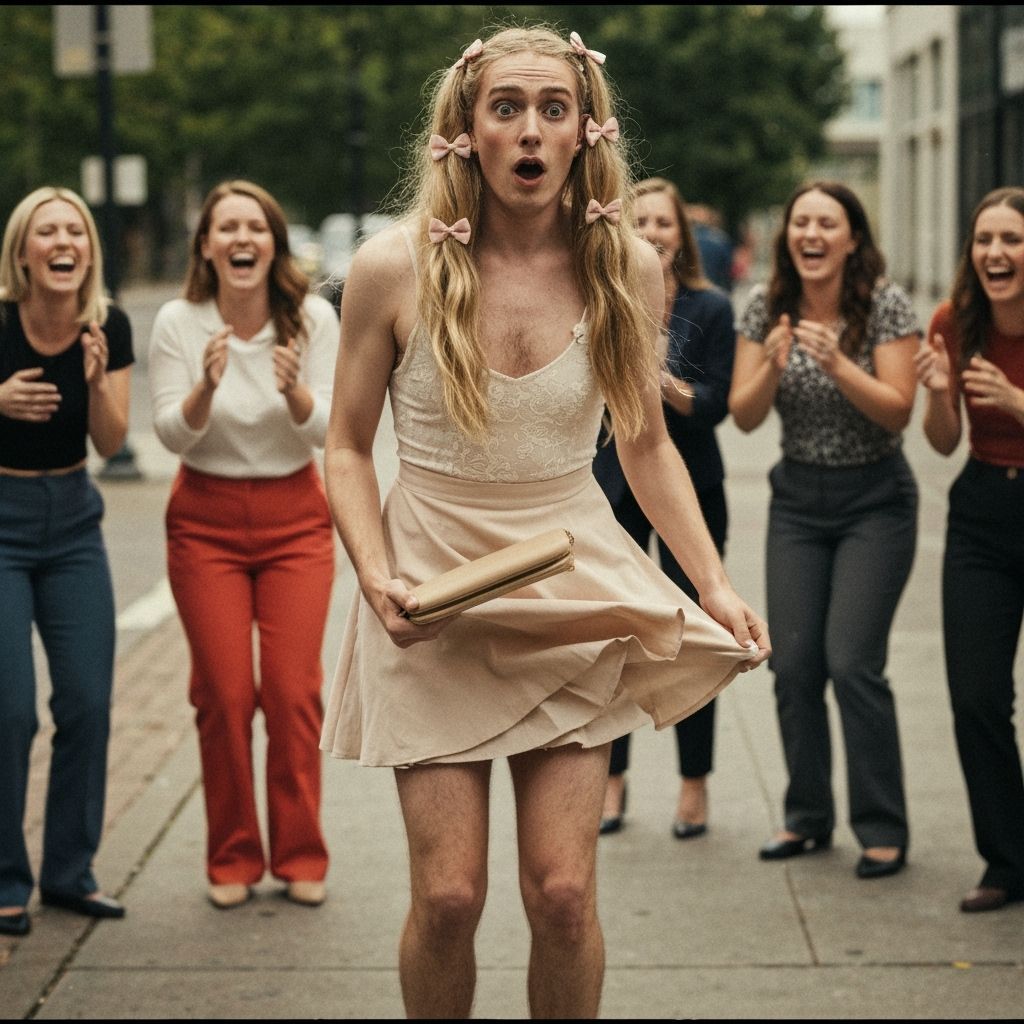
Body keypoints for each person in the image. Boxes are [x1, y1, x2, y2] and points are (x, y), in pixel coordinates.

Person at [318, 26, 769, 1020]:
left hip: (569, 589)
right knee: (447, 898)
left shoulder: (629, 271)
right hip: (429, 594)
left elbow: (646, 446)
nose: (529, 128)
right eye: (506, 107)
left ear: (583, 133)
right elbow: (346, 448)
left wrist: (714, 584)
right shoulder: (391, 268)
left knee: (562, 895)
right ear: (465, 132)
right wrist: (374, 570)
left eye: (551, 108)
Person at [148, 181, 338, 911]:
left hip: (294, 516)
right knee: (224, 696)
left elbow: (328, 431)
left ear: (273, 242)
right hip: (205, 517)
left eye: (253, 226)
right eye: (225, 227)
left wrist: (292, 392)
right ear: (206, 246)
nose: (240, 238)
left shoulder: (312, 318)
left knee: (292, 693)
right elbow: (171, 430)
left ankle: (299, 852)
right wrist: (204, 386)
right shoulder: (179, 320)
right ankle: (232, 855)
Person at [729, 181, 920, 880]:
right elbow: (744, 416)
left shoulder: (885, 307)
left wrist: (838, 364)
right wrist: (775, 365)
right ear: (789, 239)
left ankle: (881, 825)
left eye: (826, 224)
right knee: (794, 664)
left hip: (876, 501)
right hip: (799, 504)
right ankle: (806, 817)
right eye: (800, 222)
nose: (810, 234)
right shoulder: (766, 309)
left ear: (851, 241)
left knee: (851, 662)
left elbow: (897, 412)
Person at [0, 187, 133, 936]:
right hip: (3, 523)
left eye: (75, 230)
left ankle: (68, 872)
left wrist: (90, 379)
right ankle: (4, 878)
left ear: (87, 250)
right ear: (23, 252)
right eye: (46, 230)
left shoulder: (105, 325)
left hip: (74, 525)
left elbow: (112, 443)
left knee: (86, 702)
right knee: (8, 711)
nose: (63, 241)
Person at [594, 177, 736, 839]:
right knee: (618, 642)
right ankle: (613, 784)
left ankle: (693, 785)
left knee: (691, 639)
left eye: (663, 223)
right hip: (613, 491)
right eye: (640, 220)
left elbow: (714, 407)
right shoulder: (602, 298)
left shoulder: (710, 309)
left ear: (684, 235)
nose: (651, 232)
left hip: (692, 490)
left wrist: (664, 385)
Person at [914, 186, 1024, 913]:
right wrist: (940, 395)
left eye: (1011, 240)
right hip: (984, 509)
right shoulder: (955, 323)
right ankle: (1007, 859)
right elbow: (945, 442)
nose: (995, 253)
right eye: (985, 240)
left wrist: (1017, 404)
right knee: (977, 695)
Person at [686, 203, 734, 294]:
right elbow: (728, 269)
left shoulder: (684, 240)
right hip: (716, 290)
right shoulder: (721, 239)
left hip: (691, 291)